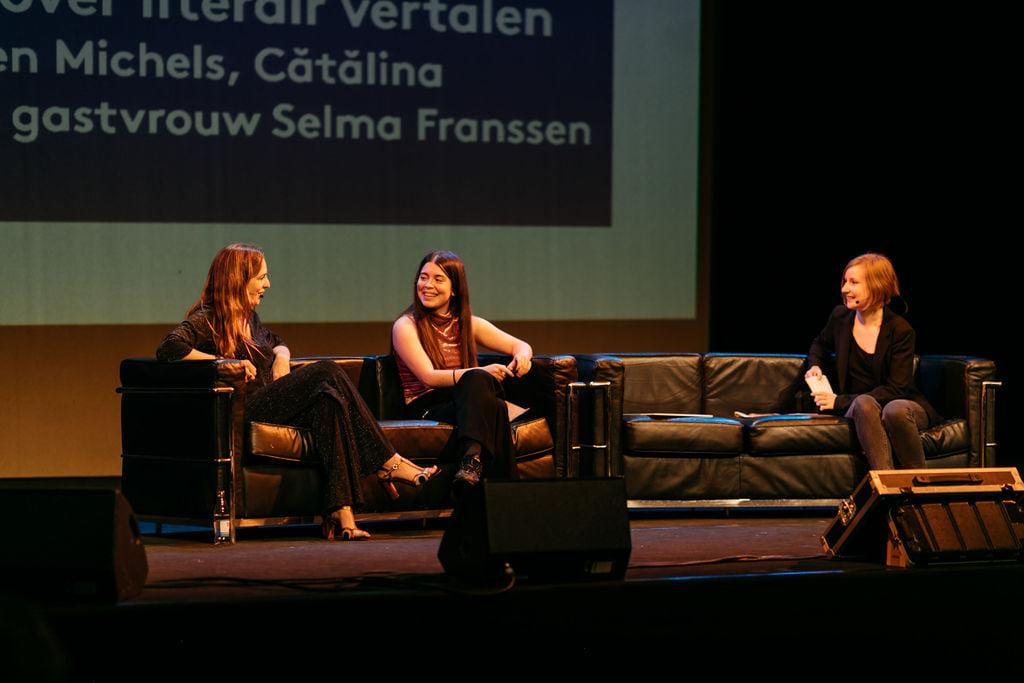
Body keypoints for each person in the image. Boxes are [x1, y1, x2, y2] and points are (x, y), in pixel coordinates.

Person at [156, 243, 437, 540]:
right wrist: (224, 363)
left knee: (329, 403)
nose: (268, 284)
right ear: (239, 279)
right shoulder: (208, 317)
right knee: (326, 370)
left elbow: (276, 340)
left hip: (270, 401)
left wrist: (281, 355)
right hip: (244, 411)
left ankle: (342, 516)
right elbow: (170, 348)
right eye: (261, 277)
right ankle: (388, 462)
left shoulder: (249, 317)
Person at [391, 250, 533, 490]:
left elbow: (520, 344)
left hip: (465, 403)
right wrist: (480, 373)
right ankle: (506, 491)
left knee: (493, 403)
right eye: (423, 277)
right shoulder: (406, 326)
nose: (427, 285)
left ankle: (473, 467)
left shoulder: (467, 323)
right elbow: (428, 377)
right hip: (426, 408)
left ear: (454, 288)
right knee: (486, 393)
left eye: (438, 279)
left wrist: (522, 356)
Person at [805, 253, 940, 470]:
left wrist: (838, 401)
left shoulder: (900, 330)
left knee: (894, 410)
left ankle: (921, 487)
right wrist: (815, 365)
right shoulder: (840, 318)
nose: (845, 289)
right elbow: (819, 345)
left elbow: (898, 388)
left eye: (854, 282)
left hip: (899, 403)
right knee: (864, 403)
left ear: (877, 286)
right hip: (861, 408)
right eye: (845, 281)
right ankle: (887, 488)